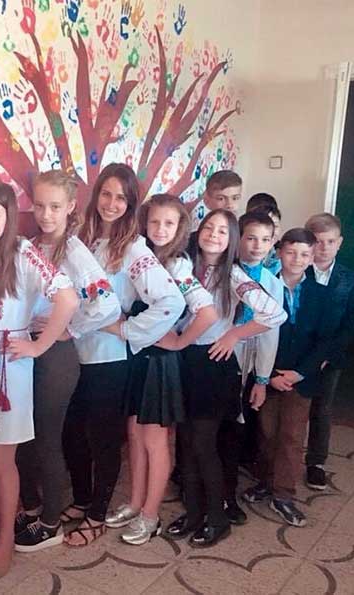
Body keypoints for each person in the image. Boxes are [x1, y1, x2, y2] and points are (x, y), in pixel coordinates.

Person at [62, 164, 185, 547]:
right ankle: (82, 500)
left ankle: (97, 513)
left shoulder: (133, 248)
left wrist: (128, 331)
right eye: (106, 194)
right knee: (72, 434)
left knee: (102, 439)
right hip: (72, 351)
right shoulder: (81, 237)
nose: (112, 204)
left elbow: (171, 300)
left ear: (131, 204)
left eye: (121, 198)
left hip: (109, 358)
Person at [0, 182, 78, 579]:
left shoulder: (23, 252)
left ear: (9, 217)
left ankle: (2, 542)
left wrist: (38, 345)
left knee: (1, 459)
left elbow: (67, 298)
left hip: (9, 365)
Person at [166, 209, 286, 547]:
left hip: (214, 367)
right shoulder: (185, 266)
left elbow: (275, 313)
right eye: (209, 227)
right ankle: (192, 514)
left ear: (232, 238)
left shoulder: (234, 275)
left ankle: (217, 519)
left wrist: (235, 335)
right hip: (185, 360)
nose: (214, 235)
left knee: (204, 446)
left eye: (223, 231)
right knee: (186, 444)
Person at [14, 171, 121, 552]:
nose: (45, 214)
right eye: (39, 205)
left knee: (46, 436)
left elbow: (107, 303)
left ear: (71, 207)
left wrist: (69, 329)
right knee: (26, 435)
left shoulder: (74, 251)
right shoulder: (29, 245)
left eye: (55, 207)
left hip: (56, 357)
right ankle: (33, 506)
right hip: (28, 350)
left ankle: (51, 520)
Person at [114, 194, 218, 545]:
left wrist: (178, 342)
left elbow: (207, 314)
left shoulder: (177, 265)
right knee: (133, 436)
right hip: (137, 357)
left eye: (168, 223)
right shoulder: (141, 256)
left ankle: (150, 515)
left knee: (154, 441)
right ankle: (135, 502)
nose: (160, 229)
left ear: (180, 228)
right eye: (154, 221)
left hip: (160, 364)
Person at [243, 228, 333, 526]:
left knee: (292, 437)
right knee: (266, 433)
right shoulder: (264, 286)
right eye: (291, 252)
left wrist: (297, 374)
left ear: (312, 257)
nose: (297, 259)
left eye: (305, 254)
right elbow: (258, 331)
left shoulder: (321, 294)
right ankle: (266, 482)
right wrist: (268, 376)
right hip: (268, 375)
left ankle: (284, 494)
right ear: (279, 252)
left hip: (300, 378)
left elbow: (324, 340)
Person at [222, 209, 284, 525]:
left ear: (273, 242)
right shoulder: (225, 271)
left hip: (246, 363)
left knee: (235, 429)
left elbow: (270, 332)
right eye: (250, 238)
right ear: (239, 238)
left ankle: (227, 495)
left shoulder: (273, 284)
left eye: (265, 239)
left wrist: (261, 378)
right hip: (217, 355)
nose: (257, 246)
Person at [303, 213, 354, 491]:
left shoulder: (350, 279)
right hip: (297, 354)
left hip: (330, 357)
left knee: (322, 409)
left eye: (330, 241)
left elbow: (351, 322)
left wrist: (328, 355)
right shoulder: (297, 270)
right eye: (317, 241)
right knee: (287, 410)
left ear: (339, 243)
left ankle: (316, 462)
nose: (324, 247)